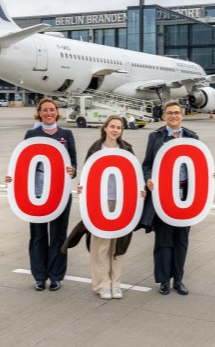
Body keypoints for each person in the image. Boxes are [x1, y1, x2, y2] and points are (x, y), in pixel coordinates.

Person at [8, 98, 77, 292]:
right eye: (45, 110)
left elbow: (74, 162)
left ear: (57, 112)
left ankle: (56, 276)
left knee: (58, 236)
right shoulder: (32, 134)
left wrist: (73, 171)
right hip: (36, 193)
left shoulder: (66, 134)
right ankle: (39, 276)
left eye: (52, 110)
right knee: (38, 235)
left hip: (60, 192)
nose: (49, 113)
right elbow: (22, 162)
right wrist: (12, 178)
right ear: (39, 113)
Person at [69, 115, 138, 300]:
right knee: (101, 245)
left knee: (118, 244)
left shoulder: (127, 149)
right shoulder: (95, 149)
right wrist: (82, 186)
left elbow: (134, 175)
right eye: (112, 126)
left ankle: (116, 283)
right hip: (99, 201)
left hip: (122, 202)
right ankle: (102, 284)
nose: (115, 130)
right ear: (105, 128)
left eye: (119, 127)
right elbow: (87, 174)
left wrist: (140, 192)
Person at [141, 101, 203, 296]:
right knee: (164, 240)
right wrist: (148, 178)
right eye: (170, 113)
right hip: (163, 196)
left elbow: (200, 165)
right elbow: (147, 164)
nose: (173, 116)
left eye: (177, 113)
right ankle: (164, 280)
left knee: (181, 240)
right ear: (164, 116)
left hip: (186, 196)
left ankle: (179, 279)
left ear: (182, 115)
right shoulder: (156, 137)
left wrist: (209, 175)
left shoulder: (192, 137)